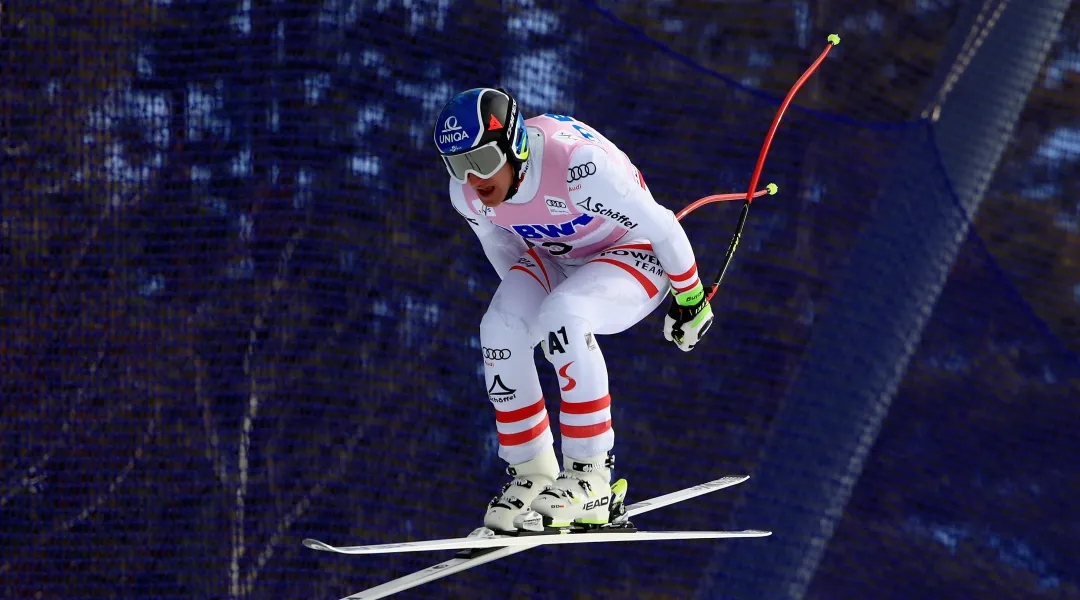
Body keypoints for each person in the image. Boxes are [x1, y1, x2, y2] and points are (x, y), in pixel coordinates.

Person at [432, 87, 714, 531]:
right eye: (458, 165)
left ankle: (592, 479)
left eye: (482, 161)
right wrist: (531, 323)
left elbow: (662, 226)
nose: (473, 179)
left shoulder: (578, 167)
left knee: (564, 313)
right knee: (499, 329)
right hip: (559, 256)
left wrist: (691, 300)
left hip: (633, 253)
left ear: (514, 144)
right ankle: (534, 473)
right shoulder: (466, 195)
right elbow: (501, 247)